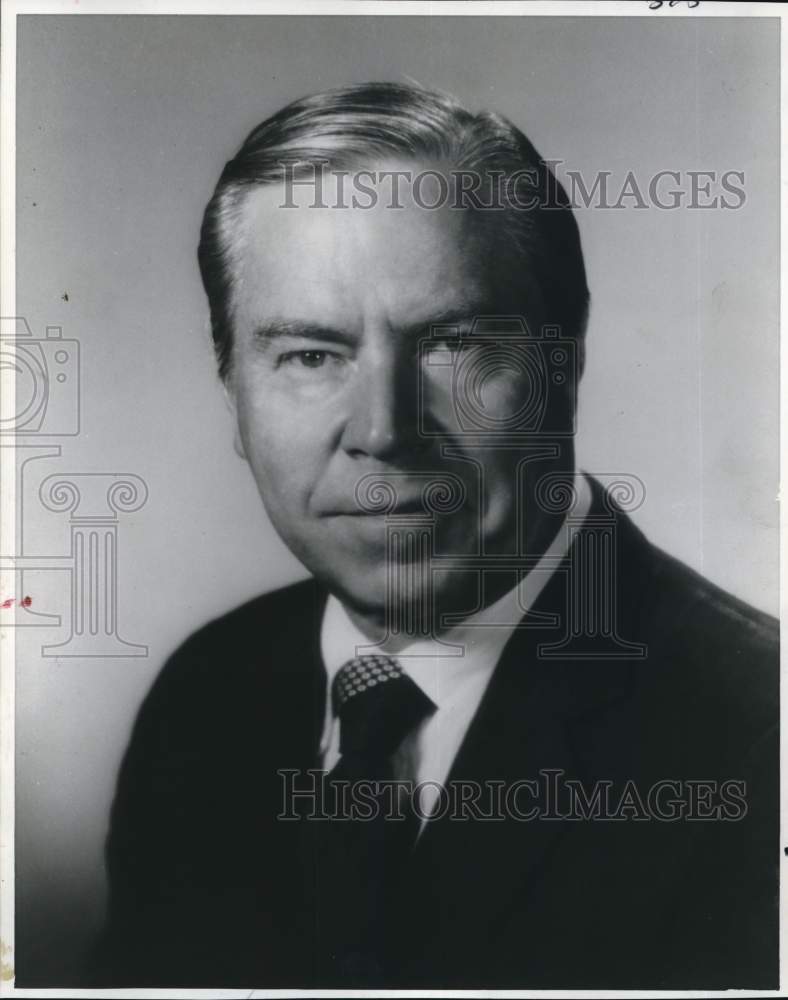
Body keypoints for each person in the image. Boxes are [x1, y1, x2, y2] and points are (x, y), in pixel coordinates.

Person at [91, 83, 778, 989]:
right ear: (234, 396)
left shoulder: (757, 735)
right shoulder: (206, 698)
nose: (384, 429)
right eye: (310, 354)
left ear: (563, 364)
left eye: (454, 343)